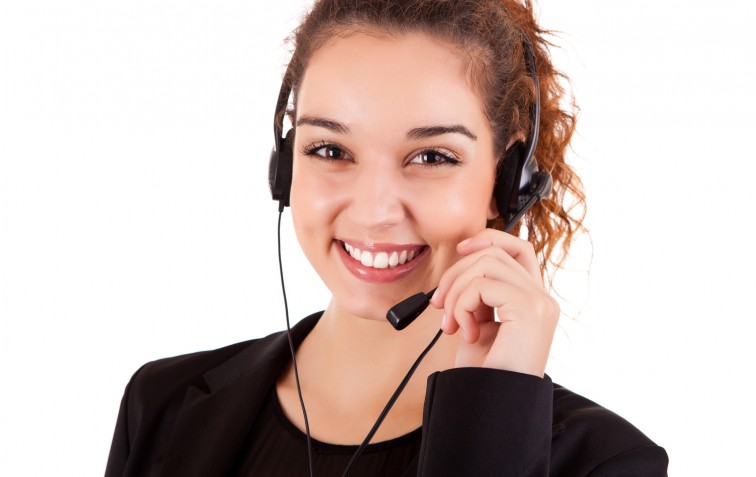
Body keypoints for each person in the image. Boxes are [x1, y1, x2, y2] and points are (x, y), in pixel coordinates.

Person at [105, 0, 669, 475]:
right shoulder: (162, 407)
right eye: (330, 150)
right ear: (284, 169)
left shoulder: (606, 462)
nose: (375, 211)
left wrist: (494, 421)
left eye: (431, 156)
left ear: (506, 180)